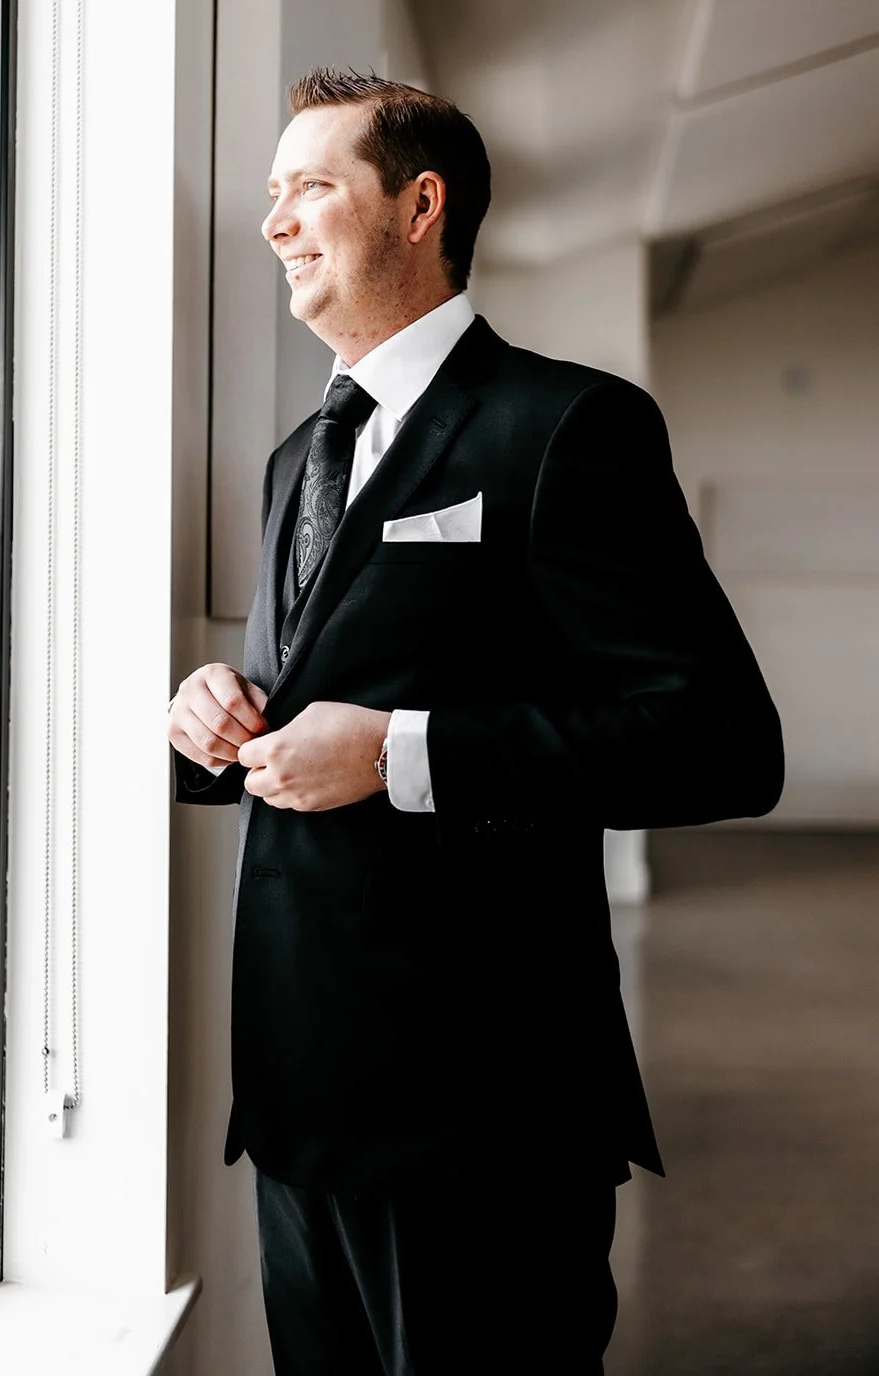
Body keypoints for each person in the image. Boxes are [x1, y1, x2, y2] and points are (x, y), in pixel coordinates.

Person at [168, 67, 783, 1374]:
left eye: (310, 187)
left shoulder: (565, 426)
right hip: (296, 1102)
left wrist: (399, 754)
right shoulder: (297, 458)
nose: (272, 220)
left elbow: (717, 737)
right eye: (271, 194)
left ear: (418, 204)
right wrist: (221, 722)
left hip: (481, 1113)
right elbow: (332, 685)